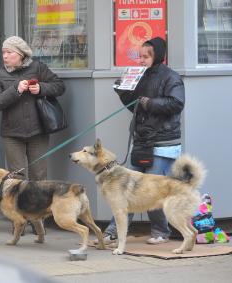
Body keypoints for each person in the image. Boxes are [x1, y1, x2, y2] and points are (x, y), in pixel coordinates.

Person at [99, 37, 185, 245]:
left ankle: (160, 231)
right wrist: (122, 92)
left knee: (152, 189)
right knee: (125, 186)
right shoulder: (140, 76)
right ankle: (114, 230)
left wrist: (150, 103)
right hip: (142, 140)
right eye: (141, 56)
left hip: (163, 142)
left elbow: (177, 103)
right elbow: (135, 107)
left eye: (146, 56)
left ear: (158, 55)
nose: (142, 60)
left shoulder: (171, 77)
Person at [0, 36, 65, 232]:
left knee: (39, 176)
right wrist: (16, 89)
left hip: (38, 130)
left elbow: (59, 86)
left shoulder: (37, 68)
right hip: (11, 133)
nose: (5, 56)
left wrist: (41, 88)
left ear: (21, 54)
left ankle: (38, 222)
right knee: (17, 178)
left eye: (9, 53)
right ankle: (19, 220)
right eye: (3, 52)